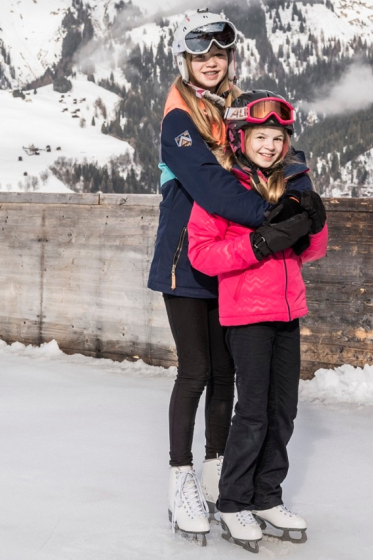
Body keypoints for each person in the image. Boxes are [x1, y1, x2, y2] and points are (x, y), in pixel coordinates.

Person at [148, 10, 311, 546]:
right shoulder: (180, 119)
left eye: (220, 54)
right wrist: (274, 217)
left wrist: (298, 197)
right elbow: (212, 187)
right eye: (201, 55)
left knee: (227, 374)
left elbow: (272, 157)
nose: (212, 63)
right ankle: (180, 479)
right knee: (195, 371)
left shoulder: (235, 111)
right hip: (185, 260)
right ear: (185, 61)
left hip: (229, 260)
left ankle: (219, 473)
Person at [187, 90, 328, 553]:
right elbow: (202, 254)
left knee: (283, 411)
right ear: (240, 138)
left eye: (277, 138)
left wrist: (314, 223)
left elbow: (311, 253)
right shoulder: (225, 189)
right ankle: (233, 501)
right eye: (261, 136)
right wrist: (258, 244)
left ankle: (267, 496)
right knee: (252, 412)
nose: (270, 145)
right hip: (246, 314)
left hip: (288, 310)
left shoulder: (291, 184)